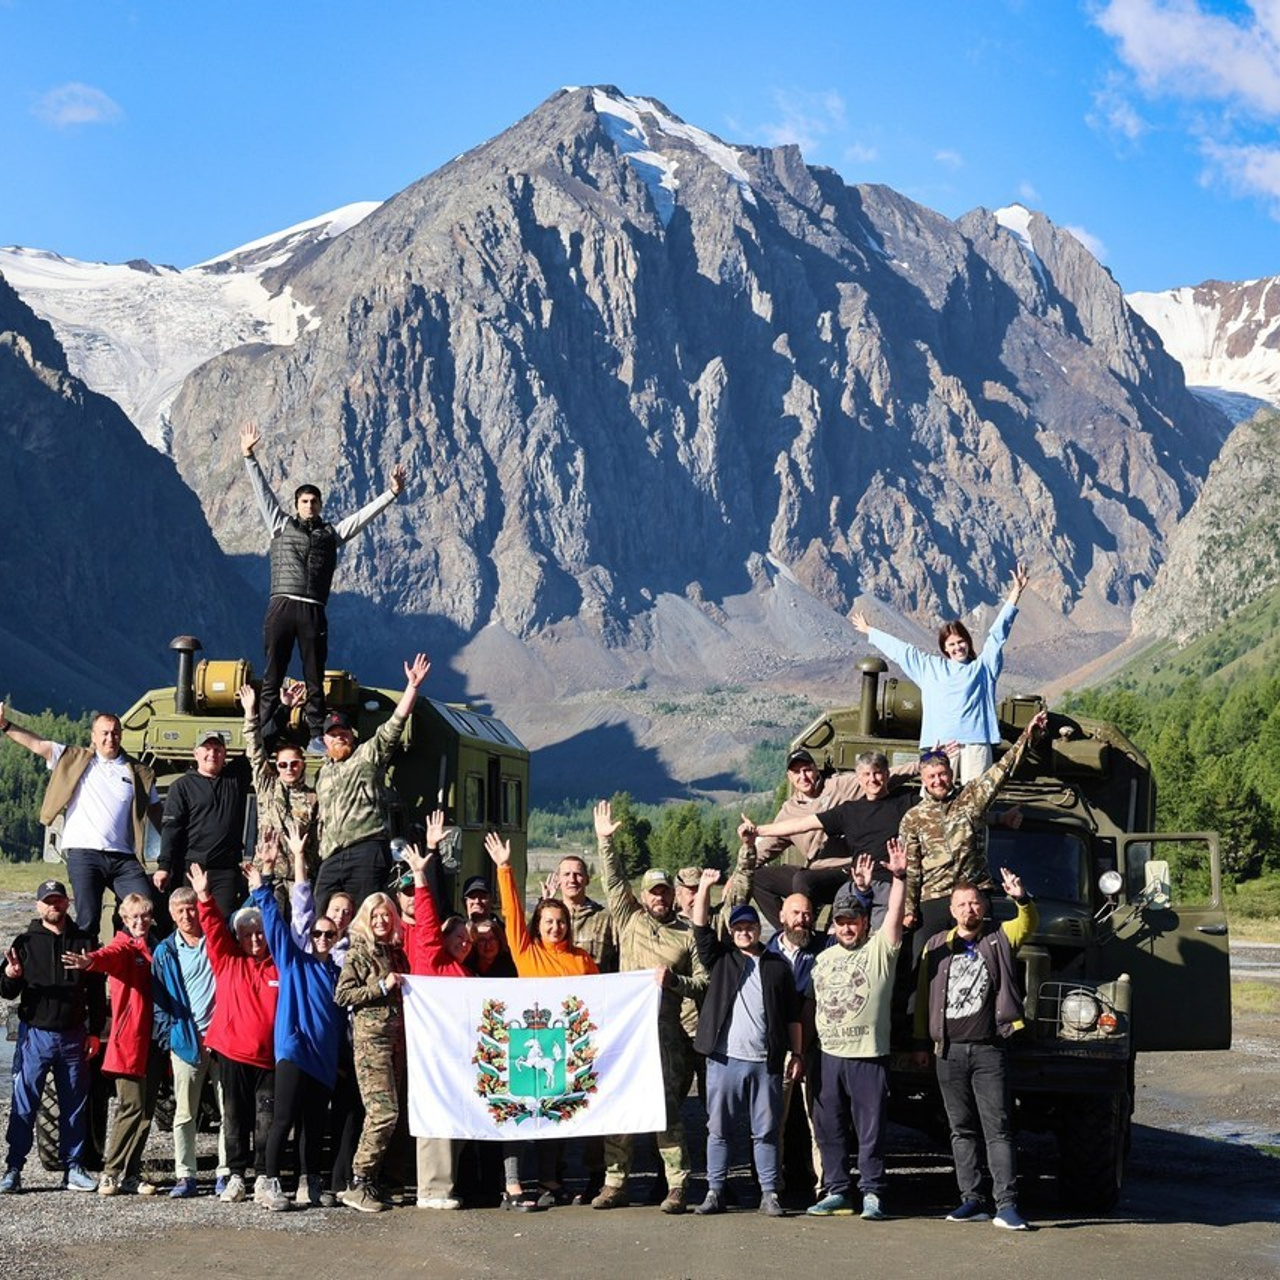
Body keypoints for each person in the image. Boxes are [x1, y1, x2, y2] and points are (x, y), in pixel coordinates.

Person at [240, 419, 408, 750]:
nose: (310, 506)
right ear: (296, 505)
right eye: (304, 501)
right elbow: (263, 493)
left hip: (313, 610)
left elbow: (361, 518)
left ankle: (317, 734)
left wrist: (392, 493)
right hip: (282, 606)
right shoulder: (280, 525)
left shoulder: (332, 534)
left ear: (320, 505)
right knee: (273, 674)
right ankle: (263, 733)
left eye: (314, 501)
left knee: (314, 675)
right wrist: (249, 456)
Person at [591, 800, 709, 1214]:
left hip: (664, 1034)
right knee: (620, 1107)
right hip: (625, 1035)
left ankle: (677, 1185)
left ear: (673, 895)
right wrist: (606, 840)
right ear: (643, 896)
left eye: (664, 892)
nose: (659, 897)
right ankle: (615, 1182)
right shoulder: (629, 918)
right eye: (653, 891)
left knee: (666, 1109)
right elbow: (613, 880)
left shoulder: (687, 934)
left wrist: (673, 981)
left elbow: (704, 983)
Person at [914, 868, 1039, 1230]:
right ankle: (971, 1199)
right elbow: (924, 997)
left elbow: (1028, 922)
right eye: (962, 904)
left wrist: (1021, 897)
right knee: (960, 1129)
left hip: (989, 1050)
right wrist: (922, 1042)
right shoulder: (935, 946)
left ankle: (1007, 1205)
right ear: (952, 910)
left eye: (975, 902)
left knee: (998, 1128)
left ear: (983, 906)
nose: (969, 909)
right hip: (948, 1052)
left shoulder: (1000, 937)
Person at [488, 830, 600, 1210]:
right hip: (524, 1043)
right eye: (548, 922)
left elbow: (600, 1001)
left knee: (555, 1113)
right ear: (538, 925)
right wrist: (505, 868)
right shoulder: (525, 951)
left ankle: (551, 1178)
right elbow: (512, 914)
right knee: (519, 1112)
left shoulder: (583, 960)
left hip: (562, 1048)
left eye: (561, 921)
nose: (555, 927)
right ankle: (514, 1185)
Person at [689, 869, 802, 1218]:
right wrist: (705, 887)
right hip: (723, 1061)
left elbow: (792, 1016)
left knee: (766, 1131)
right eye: (738, 929)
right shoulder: (721, 958)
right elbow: (701, 928)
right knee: (718, 1130)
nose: (744, 933)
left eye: (749, 928)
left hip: (764, 1062)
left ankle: (769, 1193)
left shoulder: (777, 967)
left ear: (759, 929)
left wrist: (796, 1053)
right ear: (733, 932)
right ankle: (715, 1190)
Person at [806, 839, 909, 1220]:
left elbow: (895, 915)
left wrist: (898, 877)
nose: (847, 926)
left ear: (865, 922)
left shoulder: (880, 950)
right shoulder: (823, 957)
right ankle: (836, 1190)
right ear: (833, 926)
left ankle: (872, 1193)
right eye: (841, 921)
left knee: (870, 1132)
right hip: (829, 1057)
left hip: (868, 1056)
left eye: (853, 920)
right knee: (829, 1128)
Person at [852, 564, 1029, 783]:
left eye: (961, 642)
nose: (958, 647)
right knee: (936, 794)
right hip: (941, 745)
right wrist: (871, 631)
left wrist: (1015, 594)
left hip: (976, 745)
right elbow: (903, 651)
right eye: (952, 644)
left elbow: (997, 636)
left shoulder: (983, 669)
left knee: (975, 800)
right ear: (945, 648)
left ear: (968, 642)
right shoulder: (930, 668)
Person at [0, 703, 160, 937]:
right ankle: (85, 970)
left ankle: (122, 957)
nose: (110, 738)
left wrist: (167, 852)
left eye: (115, 732)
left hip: (124, 856)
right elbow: (38, 745)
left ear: (121, 735)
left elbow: (155, 810)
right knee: (88, 919)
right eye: (104, 733)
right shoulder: (74, 758)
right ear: (93, 736)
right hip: (85, 854)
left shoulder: (139, 772)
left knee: (142, 908)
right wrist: (5, 725)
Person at [900, 709, 1047, 945]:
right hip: (935, 896)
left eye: (942, 774)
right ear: (923, 780)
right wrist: (909, 909)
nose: (938, 781)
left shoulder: (971, 796)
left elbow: (1003, 769)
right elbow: (912, 867)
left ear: (951, 773)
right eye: (932, 777)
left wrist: (1027, 737)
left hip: (974, 894)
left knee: (983, 955)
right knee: (924, 960)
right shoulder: (913, 817)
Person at [248, 856, 344, 1211]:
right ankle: (269, 1182)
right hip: (294, 1051)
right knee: (283, 1118)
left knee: (314, 1125)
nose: (321, 938)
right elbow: (274, 925)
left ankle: (309, 1181)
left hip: (323, 1060)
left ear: (337, 938)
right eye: (316, 933)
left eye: (328, 934)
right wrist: (262, 887)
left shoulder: (339, 975)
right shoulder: (293, 962)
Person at [0, 879, 104, 1194]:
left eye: (58, 900)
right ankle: (14, 1168)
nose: (53, 906)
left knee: (73, 1105)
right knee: (25, 1102)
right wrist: (10, 975)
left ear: (67, 903)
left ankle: (73, 1168)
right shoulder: (25, 942)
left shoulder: (85, 941)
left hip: (74, 1036)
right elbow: (5, 992)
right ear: (38, 905)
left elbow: (96, 991)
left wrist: (95, 1032)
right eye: (48, 901)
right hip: (36, 1037)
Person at [314, 653, 431, 917]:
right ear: (325, 741)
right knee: (321, 914)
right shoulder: (323, 774)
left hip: (366, 849)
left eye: (343, 733)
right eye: (332, 735)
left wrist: (412, 688)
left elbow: (394, 725)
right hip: (331, 855)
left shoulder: (367, 755)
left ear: (352, 736)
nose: (338, 737)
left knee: (364, 918)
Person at [191, 862, 279, 1205]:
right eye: (247, 934)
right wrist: (203, 896)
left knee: (265, 1120)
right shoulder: (228, 961)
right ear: (238, 937)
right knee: (234, 1118)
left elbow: (281, 929)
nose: (255, 939)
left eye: (259, 933)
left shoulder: (278, 964)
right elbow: (212, 929)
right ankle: (237, 1176)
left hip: (269, 1057)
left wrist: (264, 886)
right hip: (233, 1053)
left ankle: (263, 1178)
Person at [62, 893, 162, 1196]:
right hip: (130, 1039)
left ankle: (131, 1173)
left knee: (146, 1110)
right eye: (134, 917)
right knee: (130, 1105)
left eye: (144, 916)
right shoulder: (124, 947)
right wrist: (90, 961)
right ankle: (111, 1172)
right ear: (124, 919)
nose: (140, 922)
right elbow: (108, 956)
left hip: (155, 1039)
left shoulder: (155, 947)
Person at [752, 747, 919, 927]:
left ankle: (810, 935)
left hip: (847, 868)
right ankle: (791, 933)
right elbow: (780, 837)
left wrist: (923, 765)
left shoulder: (840, 786)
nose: (803, 776)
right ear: (789, 777)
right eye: (796, 772)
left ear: (816, 769)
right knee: (757, 878)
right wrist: (742, 868)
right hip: (815, 869)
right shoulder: (789, 810)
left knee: (805, 882)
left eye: (807, 769)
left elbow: (886, 773)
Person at [334, 892, 409, 1212]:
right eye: (375, 916)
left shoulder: (393, 952)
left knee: (392, 1113)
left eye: (386, 915)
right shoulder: (360, 952)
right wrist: (381, 986)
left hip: (394, 1042)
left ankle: (374, 1179)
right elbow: (343, 994)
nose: (381, 921)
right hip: (371, 1043)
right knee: (383, 1112)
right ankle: (359, 1180)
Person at [152, 885, 228, 1198]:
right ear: (171, 914)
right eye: (180, 910)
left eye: (191, 908)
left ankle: (227, 1171)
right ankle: (186, 1175)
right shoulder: (165, 952)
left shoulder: (217, 942)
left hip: (222, 1039)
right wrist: (172, 1036)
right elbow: (160, 1003)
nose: (187, 915)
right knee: (185, 1113)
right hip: (186, 1040)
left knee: (230, 1110)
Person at [155, 723, 254, 919]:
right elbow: (171, 828)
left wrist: (279, 708)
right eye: (207, 749)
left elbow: (262, 741)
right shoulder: (181, 787)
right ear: (196, 754)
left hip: (226, 871)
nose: (212, 754)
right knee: (189, 922)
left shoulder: (235, 779)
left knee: (222, 924)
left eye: (217, 749)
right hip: (191, 868)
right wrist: (164, 866)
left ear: (225, 754)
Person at [240, 683, 319, 892]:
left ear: (302, 765)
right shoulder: (268, 785)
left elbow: (318, 841)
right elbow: (255, 751)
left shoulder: (312, 798)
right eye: (283, 765)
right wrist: (250, 713)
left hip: (299, 876)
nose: (289, 769)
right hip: (267, 872)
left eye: (294, 764)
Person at [542, 854, 617, 973]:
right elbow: (529, 948)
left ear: (587, 879)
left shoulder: (605, 918)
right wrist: (544, 905)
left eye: (578, 874)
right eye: (567, 874)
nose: (572, 879)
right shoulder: (549, 918)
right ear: (558, 880)